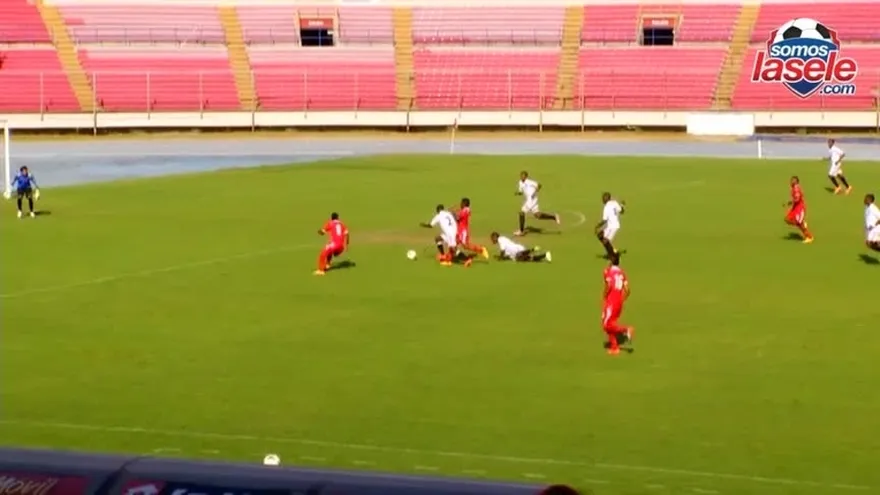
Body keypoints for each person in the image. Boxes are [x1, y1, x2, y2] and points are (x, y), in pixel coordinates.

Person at [602, 253, 634, 356]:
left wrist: (604, 296)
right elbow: (628, 290)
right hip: (619, 301)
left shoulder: (608, 272)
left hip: (611, 301)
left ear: (611, 261)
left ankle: (626, 329)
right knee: (611, 323)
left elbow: (608, 286)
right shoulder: (622, 273)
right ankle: (614, 348)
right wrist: (621, 300)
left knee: (606, 325)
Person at [514, 171, 560, 236]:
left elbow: (539, 185)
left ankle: (521, 231)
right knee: (538, 216)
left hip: (532, 200)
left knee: (522, 213)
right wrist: (518, 193)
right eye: (521, 176)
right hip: (529, 200)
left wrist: (535, 192)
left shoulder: (530, 182)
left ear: (526, 177)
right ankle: (554, 217)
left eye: (523, 176)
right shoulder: (520, 183)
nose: (522, 177)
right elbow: (521, 191)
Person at [784, 176, 814, 243]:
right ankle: (802, 223)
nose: (791, 181)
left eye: (792, 180)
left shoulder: (796, 188)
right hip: (795, 207)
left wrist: (791, 202)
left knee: (799, 223)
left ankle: (809, 237)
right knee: (787, 219)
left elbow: (797, 199)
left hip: (800, 208)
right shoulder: (793, 188)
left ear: (796, 182)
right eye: (791, 180)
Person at [595, 192, 624, 258]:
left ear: (606, 199)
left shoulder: (606, 207)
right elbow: (621, 211)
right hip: (610, 226)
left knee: (605, 241)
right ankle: (611, 252)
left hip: (614, 226)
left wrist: (597, 226)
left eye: (603, 199)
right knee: (600, 236)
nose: (602, 200)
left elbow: (604, 220)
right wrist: (622, 205)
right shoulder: (614, 202)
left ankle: (613, 255)